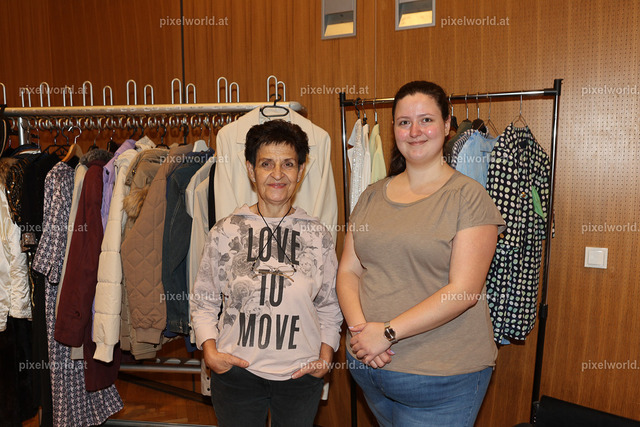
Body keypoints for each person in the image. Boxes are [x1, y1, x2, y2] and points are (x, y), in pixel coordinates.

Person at [337, 80, 506, 427]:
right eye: (404, 122)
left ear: (446, 125)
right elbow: (349, 271)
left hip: (440, 377)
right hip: (369, 367)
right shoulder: (371, 195)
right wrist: (360, 332)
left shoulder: (468, 197)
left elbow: (464, 291)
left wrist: (385, 333)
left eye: (426, 120)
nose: (414, 131)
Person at [191, 119, 343, 427]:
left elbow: (330, 305)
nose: (277, 174)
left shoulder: (317, 235)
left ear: (300, 171)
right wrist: (210, 350)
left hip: (301, 376)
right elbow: (204, 300)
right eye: (266, 164)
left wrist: (326, 357)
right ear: (251, 170)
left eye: (288, 164)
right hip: (236, 373)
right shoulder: (226, 230)